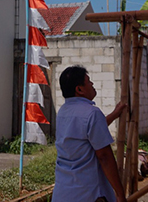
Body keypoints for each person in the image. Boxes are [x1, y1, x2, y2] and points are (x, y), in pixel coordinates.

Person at [53, 65, 127, 202]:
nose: (92, 84)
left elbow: (91, 131)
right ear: (79, 89)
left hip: (63, 191)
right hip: (88, 192)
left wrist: (115, 114)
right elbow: (104, 156)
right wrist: (120, 193)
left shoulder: (63, 112)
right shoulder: (92, 113)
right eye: (89, 81)